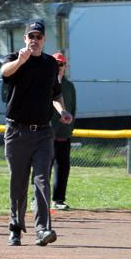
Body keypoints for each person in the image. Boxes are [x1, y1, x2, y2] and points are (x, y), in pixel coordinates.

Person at [0, 20, 73, 247]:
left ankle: (43, 229)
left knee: (42, 180)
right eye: (30, 36)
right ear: (25, 39)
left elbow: (56, 93)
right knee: (18, 182)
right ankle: (15, 228)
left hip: (43, 132)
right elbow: (4, 72)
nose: (34, 40)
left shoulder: (50, 64)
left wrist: (62, 111)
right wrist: (20, 61)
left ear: (44, 40)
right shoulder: (14, 58)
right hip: (17, 131)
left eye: (38, 36)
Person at [50, 52, 76, 211]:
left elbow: (73, 108)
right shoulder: (46, 83)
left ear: (66, 67)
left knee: (63, 166)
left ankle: (58, 199)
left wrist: (69, 128)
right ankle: (38, 198)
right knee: (43, 167)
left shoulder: (69, 86)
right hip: (47, 132)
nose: (59, 68)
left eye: (61, 64)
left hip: (64, 133)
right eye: (56, 64)